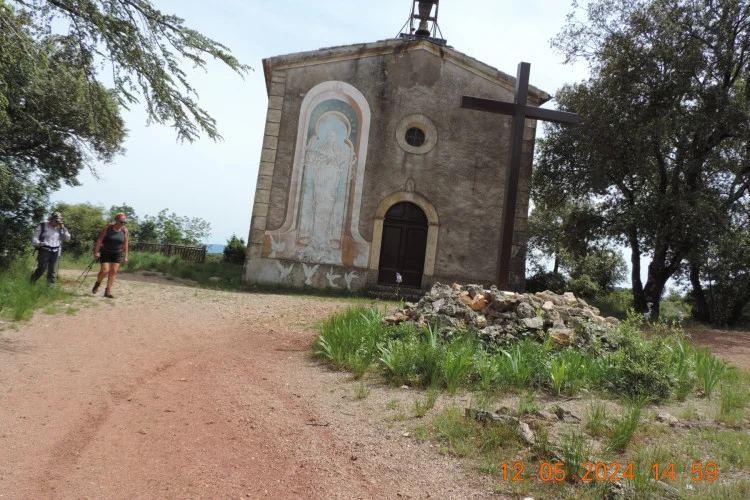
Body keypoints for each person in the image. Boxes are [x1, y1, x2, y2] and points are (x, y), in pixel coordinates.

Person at [92, 213, 129, 298]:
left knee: (113, 271)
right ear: (116, 221)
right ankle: (98, 283)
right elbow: (99, 240)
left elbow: (126, 244)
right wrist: (96, 252)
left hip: (117, 253)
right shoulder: (108, 228)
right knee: (104, 271)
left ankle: (107, 291)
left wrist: (126, 256)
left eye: (124, 222)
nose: (123, 224)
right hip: (106, 251)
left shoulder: (124, 231)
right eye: (121, 222)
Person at [31, 211, 71, 286]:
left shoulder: (60, 228)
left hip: (56, 250)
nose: (57, 223)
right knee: (41, 269)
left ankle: (50, 288)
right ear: (51, 219)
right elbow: (34, 238)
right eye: (56, 221)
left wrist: (63, 229)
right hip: (44, 250)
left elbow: (68, 238)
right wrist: (38, 243)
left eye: (59, 222)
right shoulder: (42, 225)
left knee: (52, 271)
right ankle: (32, 282)